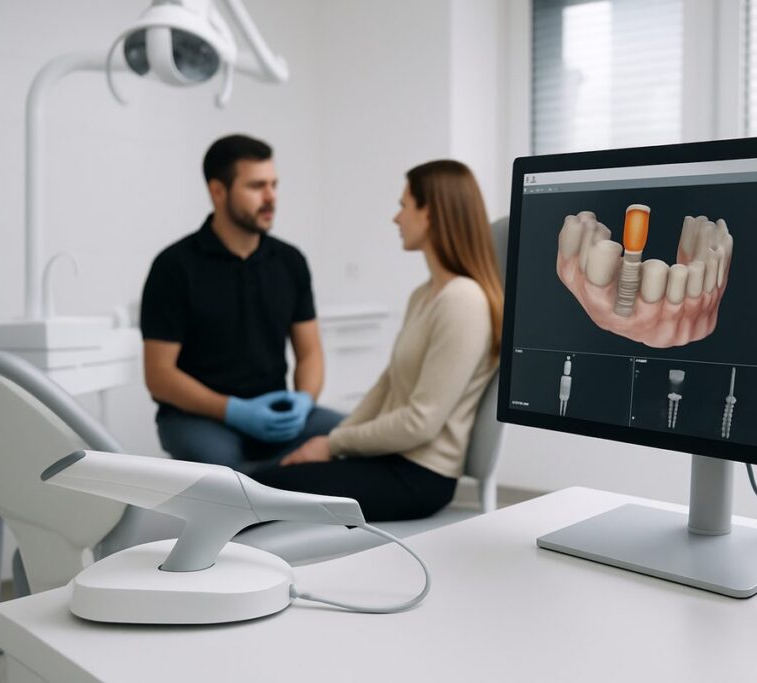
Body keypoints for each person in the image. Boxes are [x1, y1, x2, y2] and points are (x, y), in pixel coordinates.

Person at [250, 159, 504, 521]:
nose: (396, 218)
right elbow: (386, 386)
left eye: (404, 206)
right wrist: (332, 442)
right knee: (257, 483)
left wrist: (332, 443)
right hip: (390, 460)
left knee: (257, 492)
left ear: (430, 213)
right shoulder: (425, 295)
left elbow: (421, 422)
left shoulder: (463, 301)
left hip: (420, 477)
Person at [140, 134, 342, 474]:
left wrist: (304, 400)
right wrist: (234, 410)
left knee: (358, 439)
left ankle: (271, 480)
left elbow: (310, 353)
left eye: (274, 185)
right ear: (218, 191)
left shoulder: (290, 261)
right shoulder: (174, 266)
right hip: (198, 418)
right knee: (225, 473)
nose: (271, 197)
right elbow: (159, 375)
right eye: (256, 186)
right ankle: (275, 480)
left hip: (276, 414)